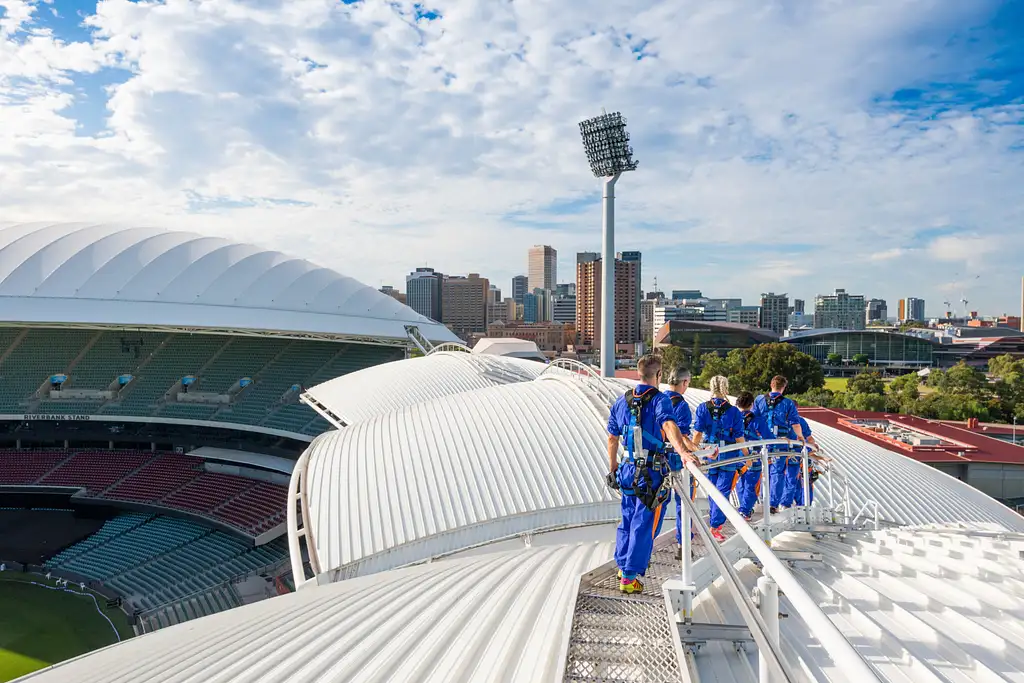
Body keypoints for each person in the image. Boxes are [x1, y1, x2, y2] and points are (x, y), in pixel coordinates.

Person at [607, 354, 698, 594]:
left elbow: (612, 437)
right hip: (650, 473)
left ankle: (622, 564)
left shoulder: (621, 401)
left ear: (639, 373)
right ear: (658, 375)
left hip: (626, 470)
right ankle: (630, 576)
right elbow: (669, 425)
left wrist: (613, 467)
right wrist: (684, 452)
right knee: (643, 524)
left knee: (627, 519)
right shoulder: (660, 400)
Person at [691, 375, 747, 542]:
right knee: (722, 491)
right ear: (726, 388)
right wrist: (746, 454)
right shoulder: (734, 412)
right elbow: (739, 437)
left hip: (708, 453)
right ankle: (716, 526)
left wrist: (695, 453)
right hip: (727, 454)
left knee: (712, 489)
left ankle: (715, 523)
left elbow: (697, 435)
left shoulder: (702, 408)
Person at [753, 375, 806, 513]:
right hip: (779, 441)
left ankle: (752, 503)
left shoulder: (759, 400)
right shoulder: (788, 403)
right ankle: (772, 504)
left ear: (771, 384)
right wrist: (800, 437)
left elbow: (752, 418)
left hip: (762, 440)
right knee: (777, 472)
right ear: (784, 387)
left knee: (757, 469)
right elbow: (795, 423)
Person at [662, 366, 695, 559]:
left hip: (658, 461)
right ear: (684, 382)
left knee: (656, 507)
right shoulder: (681, 405)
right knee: (684, 504)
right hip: (677, 461)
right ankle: (684, 546)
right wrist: (698, 452)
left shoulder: (659, 400)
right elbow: (682, 436)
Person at [734, 391, 773, 520]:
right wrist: (770, 453)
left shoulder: (733, 418)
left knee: (740, 483)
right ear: (751, 405)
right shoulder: (758, 420)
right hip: (753, 456)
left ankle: (744, 509)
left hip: (737, 455)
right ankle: (745, 511)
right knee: (752, 484)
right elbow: (769, 438)